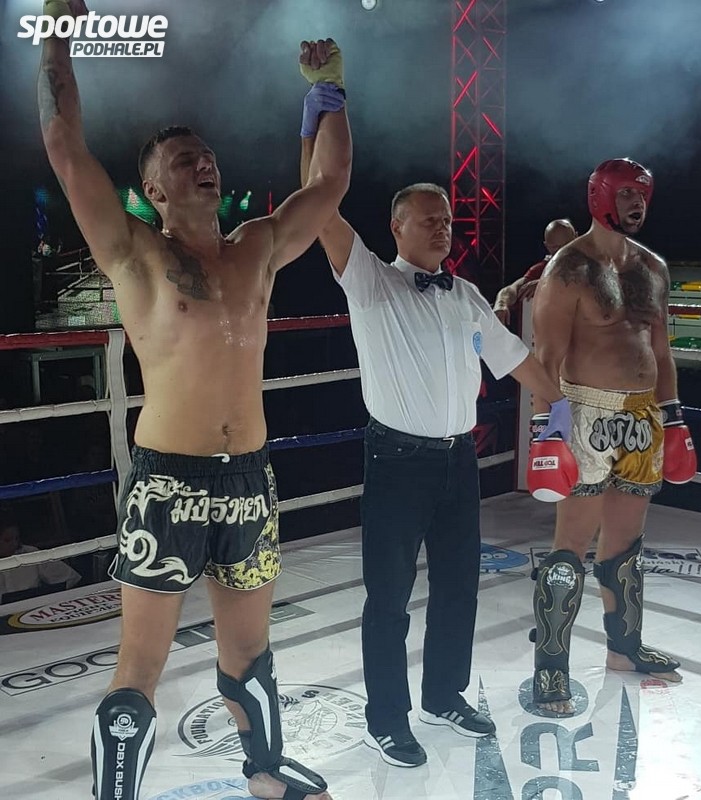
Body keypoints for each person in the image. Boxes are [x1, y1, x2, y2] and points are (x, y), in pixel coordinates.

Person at [38, 1, 350, 797]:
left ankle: (266, 773)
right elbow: (65, 147)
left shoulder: (259, 248)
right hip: (167, 482)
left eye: (206, 155)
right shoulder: (134, 252)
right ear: (152, 188)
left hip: (248, 479)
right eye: (183, 160)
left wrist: (329, 94)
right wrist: (57, 33)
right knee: (140, 666)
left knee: (250, 655)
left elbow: (330, 183)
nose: (202, 164)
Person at [300, 130, 572, 764]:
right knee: (388, 598)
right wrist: (317, 122)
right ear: (396, 227)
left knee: (458, 587)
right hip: (397, 462)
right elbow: (318, 205)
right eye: (429, 220)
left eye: (447, 220)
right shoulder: (371, 282)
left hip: (459, 459)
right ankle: (386, 719)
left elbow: (520, 363)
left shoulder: (466, 296)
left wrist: (559, 415)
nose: (443, 228)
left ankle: (444, 695)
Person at [529, 158, 696, 717]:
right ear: (600, 196)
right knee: (570, 545)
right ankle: (551, 666)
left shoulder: (653, 267)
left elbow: (661, 352)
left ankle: (624, 649)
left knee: (626, 544)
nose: (637, 203)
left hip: (643, 416)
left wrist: (674, 419)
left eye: (642, 194)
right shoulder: (568, 268)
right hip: (585, 414)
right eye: (626, 194)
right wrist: (546, 433)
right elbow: (546, 358)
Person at [493, 218, 577, 325]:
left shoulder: (589, 265)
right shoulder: (541, 269)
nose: (562, 251)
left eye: (567, 245)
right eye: (555, 247)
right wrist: (501, 304)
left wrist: (546, 284)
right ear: (547, 246)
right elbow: (511, 289)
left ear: (576, 238)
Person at [0, 514, 81, 600]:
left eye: (16, 538)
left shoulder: (30, 554)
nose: (14, 544)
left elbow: (71, 578)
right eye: (7, 540)